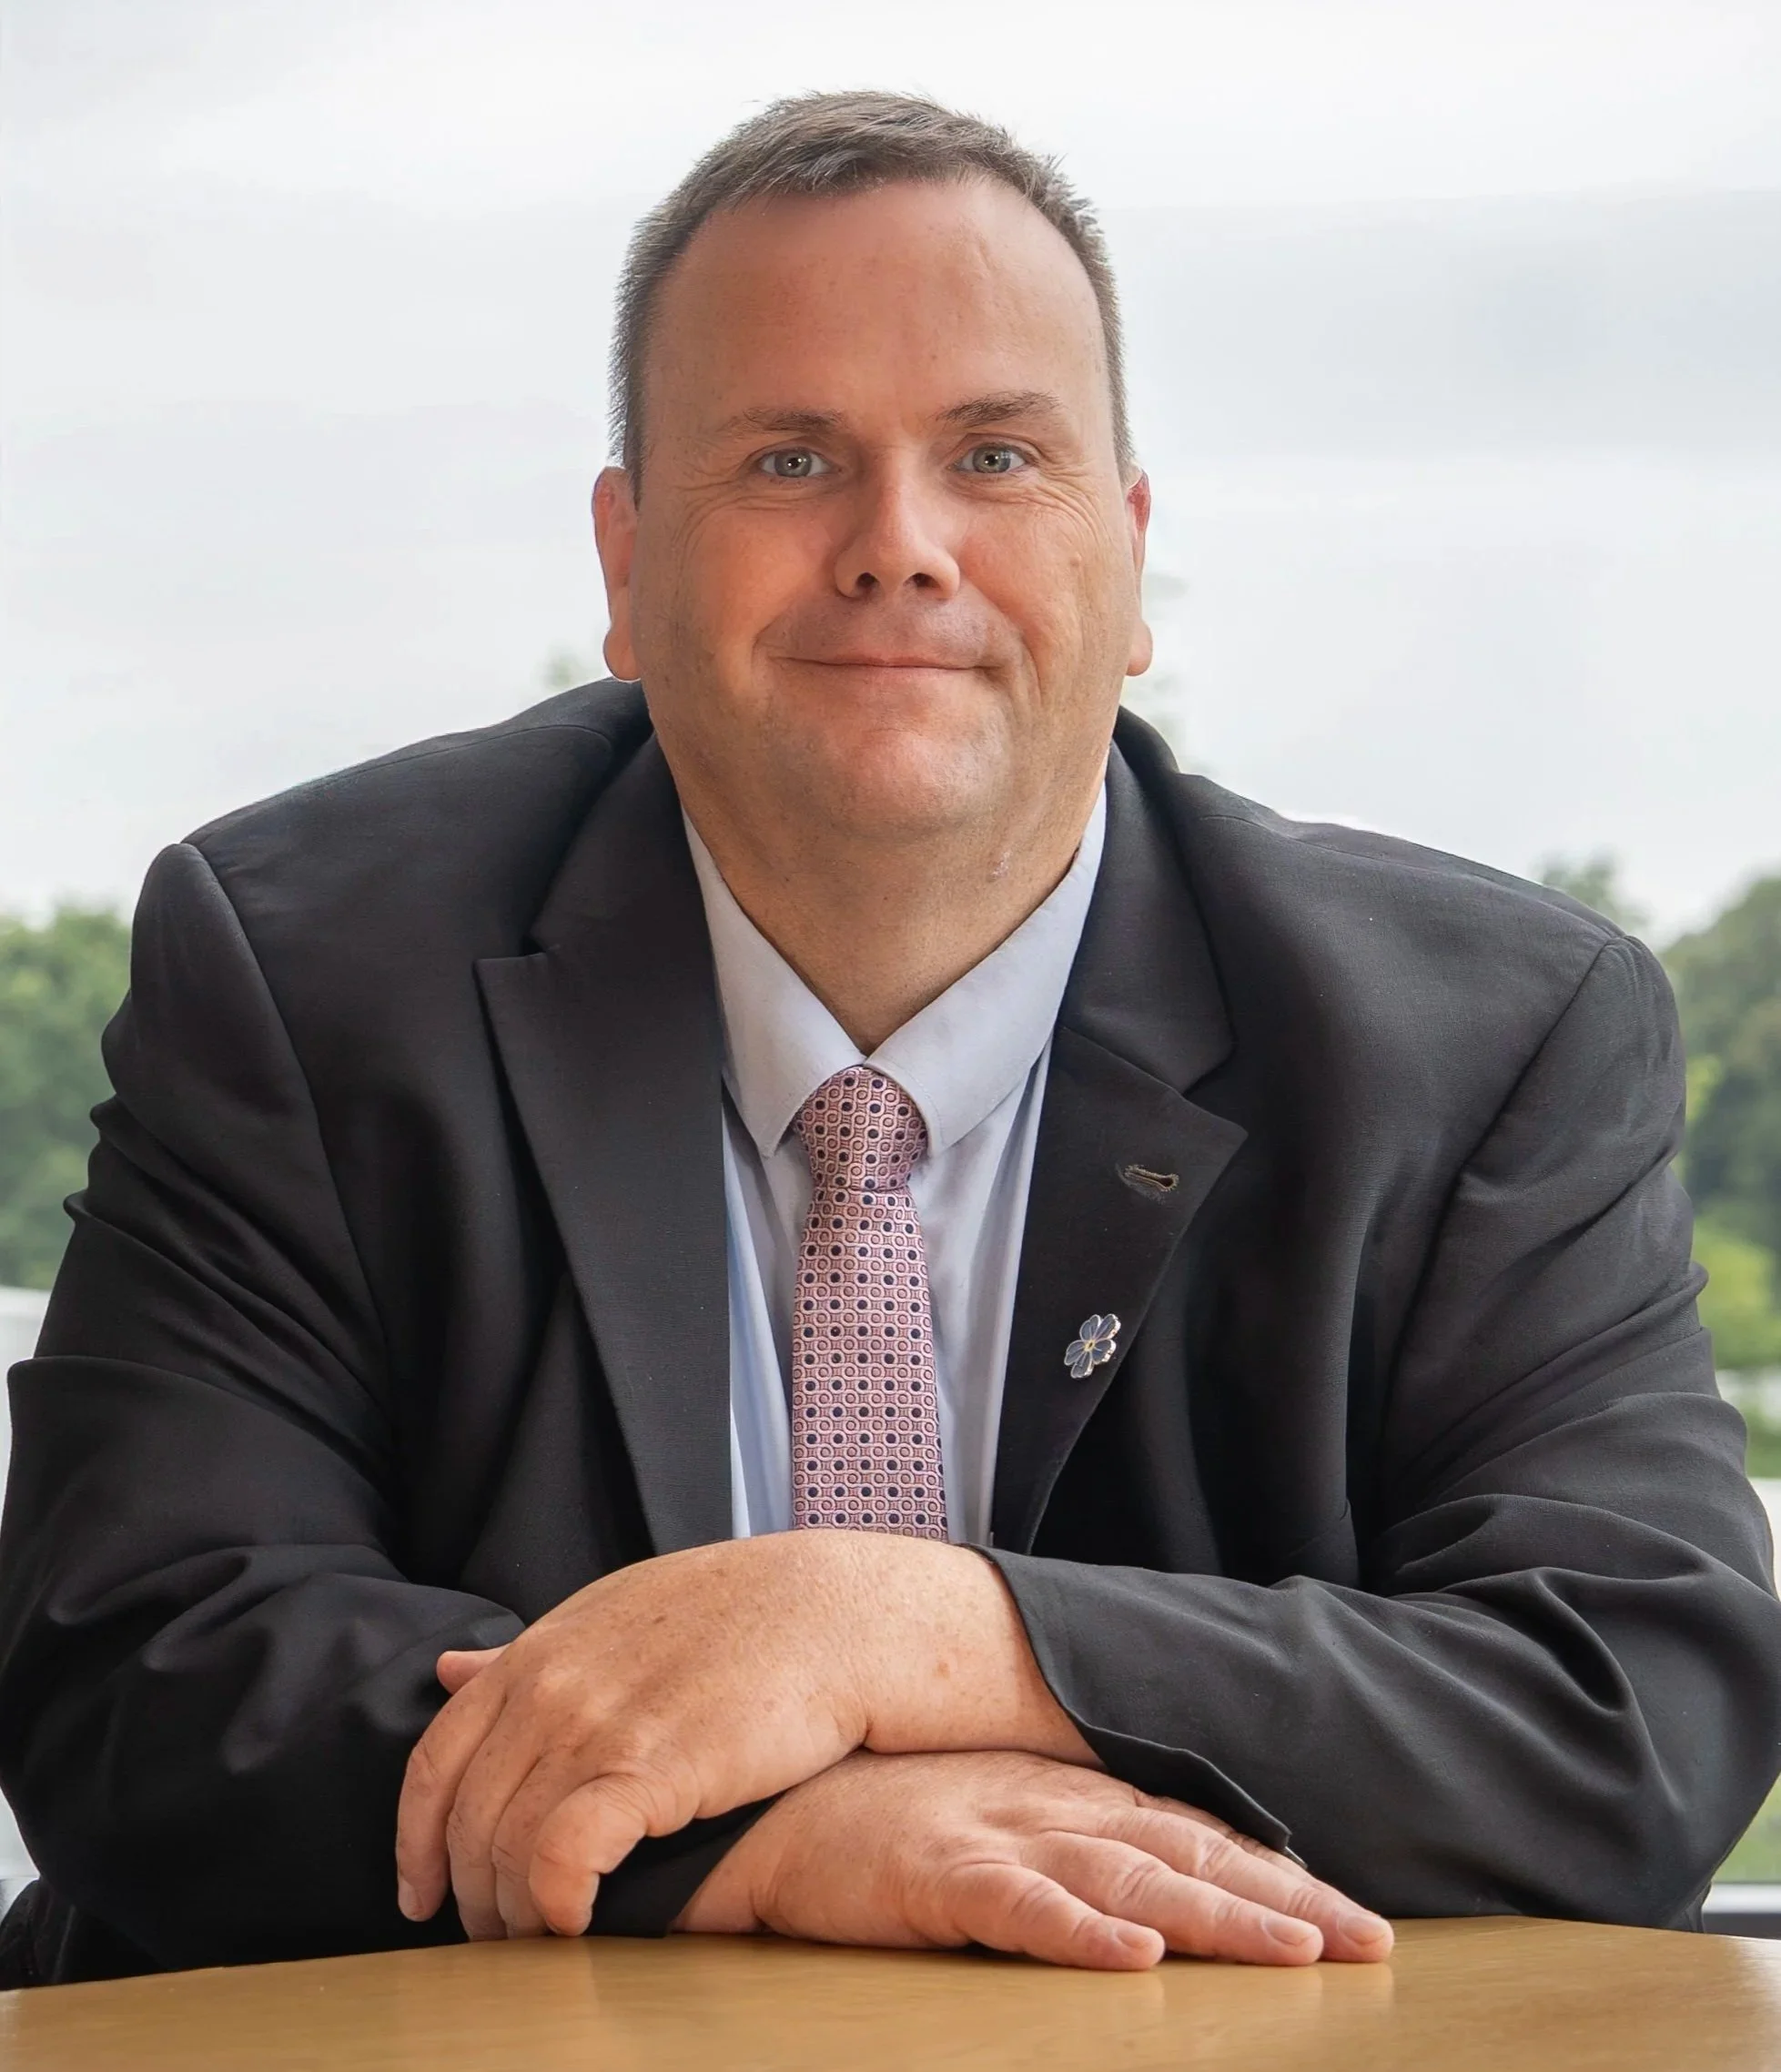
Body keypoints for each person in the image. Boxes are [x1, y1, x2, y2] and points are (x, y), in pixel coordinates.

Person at [1, 90, 1776, 1991]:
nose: (897, 546)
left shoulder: (1493, 1035)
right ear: (620, 568)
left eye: (996, 453)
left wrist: (919, 1636)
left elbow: (1638, 1704)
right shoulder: (306, 966)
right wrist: (762, 1826)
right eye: (785, 460)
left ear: (1128, 547)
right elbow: (137, 1668)